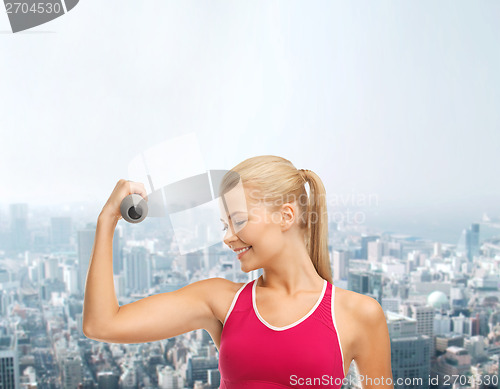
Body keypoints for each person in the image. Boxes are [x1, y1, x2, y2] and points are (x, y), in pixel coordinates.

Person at [83, 155, 393, 389]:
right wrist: (106, 221)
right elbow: (102, 325)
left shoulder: (359, 315)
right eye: (224, 225)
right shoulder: (220, 301)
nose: (228, 236)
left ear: (286, 215)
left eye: (239, 221)